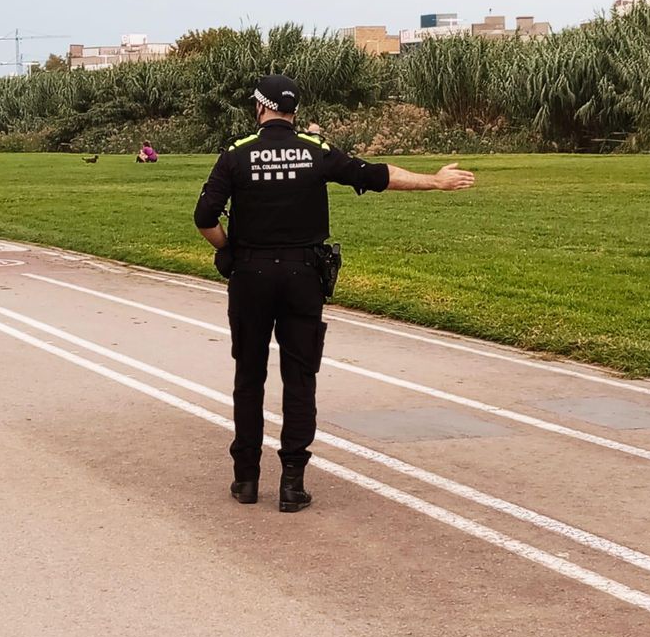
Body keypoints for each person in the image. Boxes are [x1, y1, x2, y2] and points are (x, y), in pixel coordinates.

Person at [193, 75, 475, 512]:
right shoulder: (315, 150)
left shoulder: (237, 153)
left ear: (260, 108)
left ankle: (246, 478)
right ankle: (292, 483)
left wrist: (228, 251)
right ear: (293, 112)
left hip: (250, 275)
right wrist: (434, 181)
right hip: (303, 275)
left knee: (249, 377)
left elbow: (204, 216)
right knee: (300, 378)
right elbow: (375, 175)